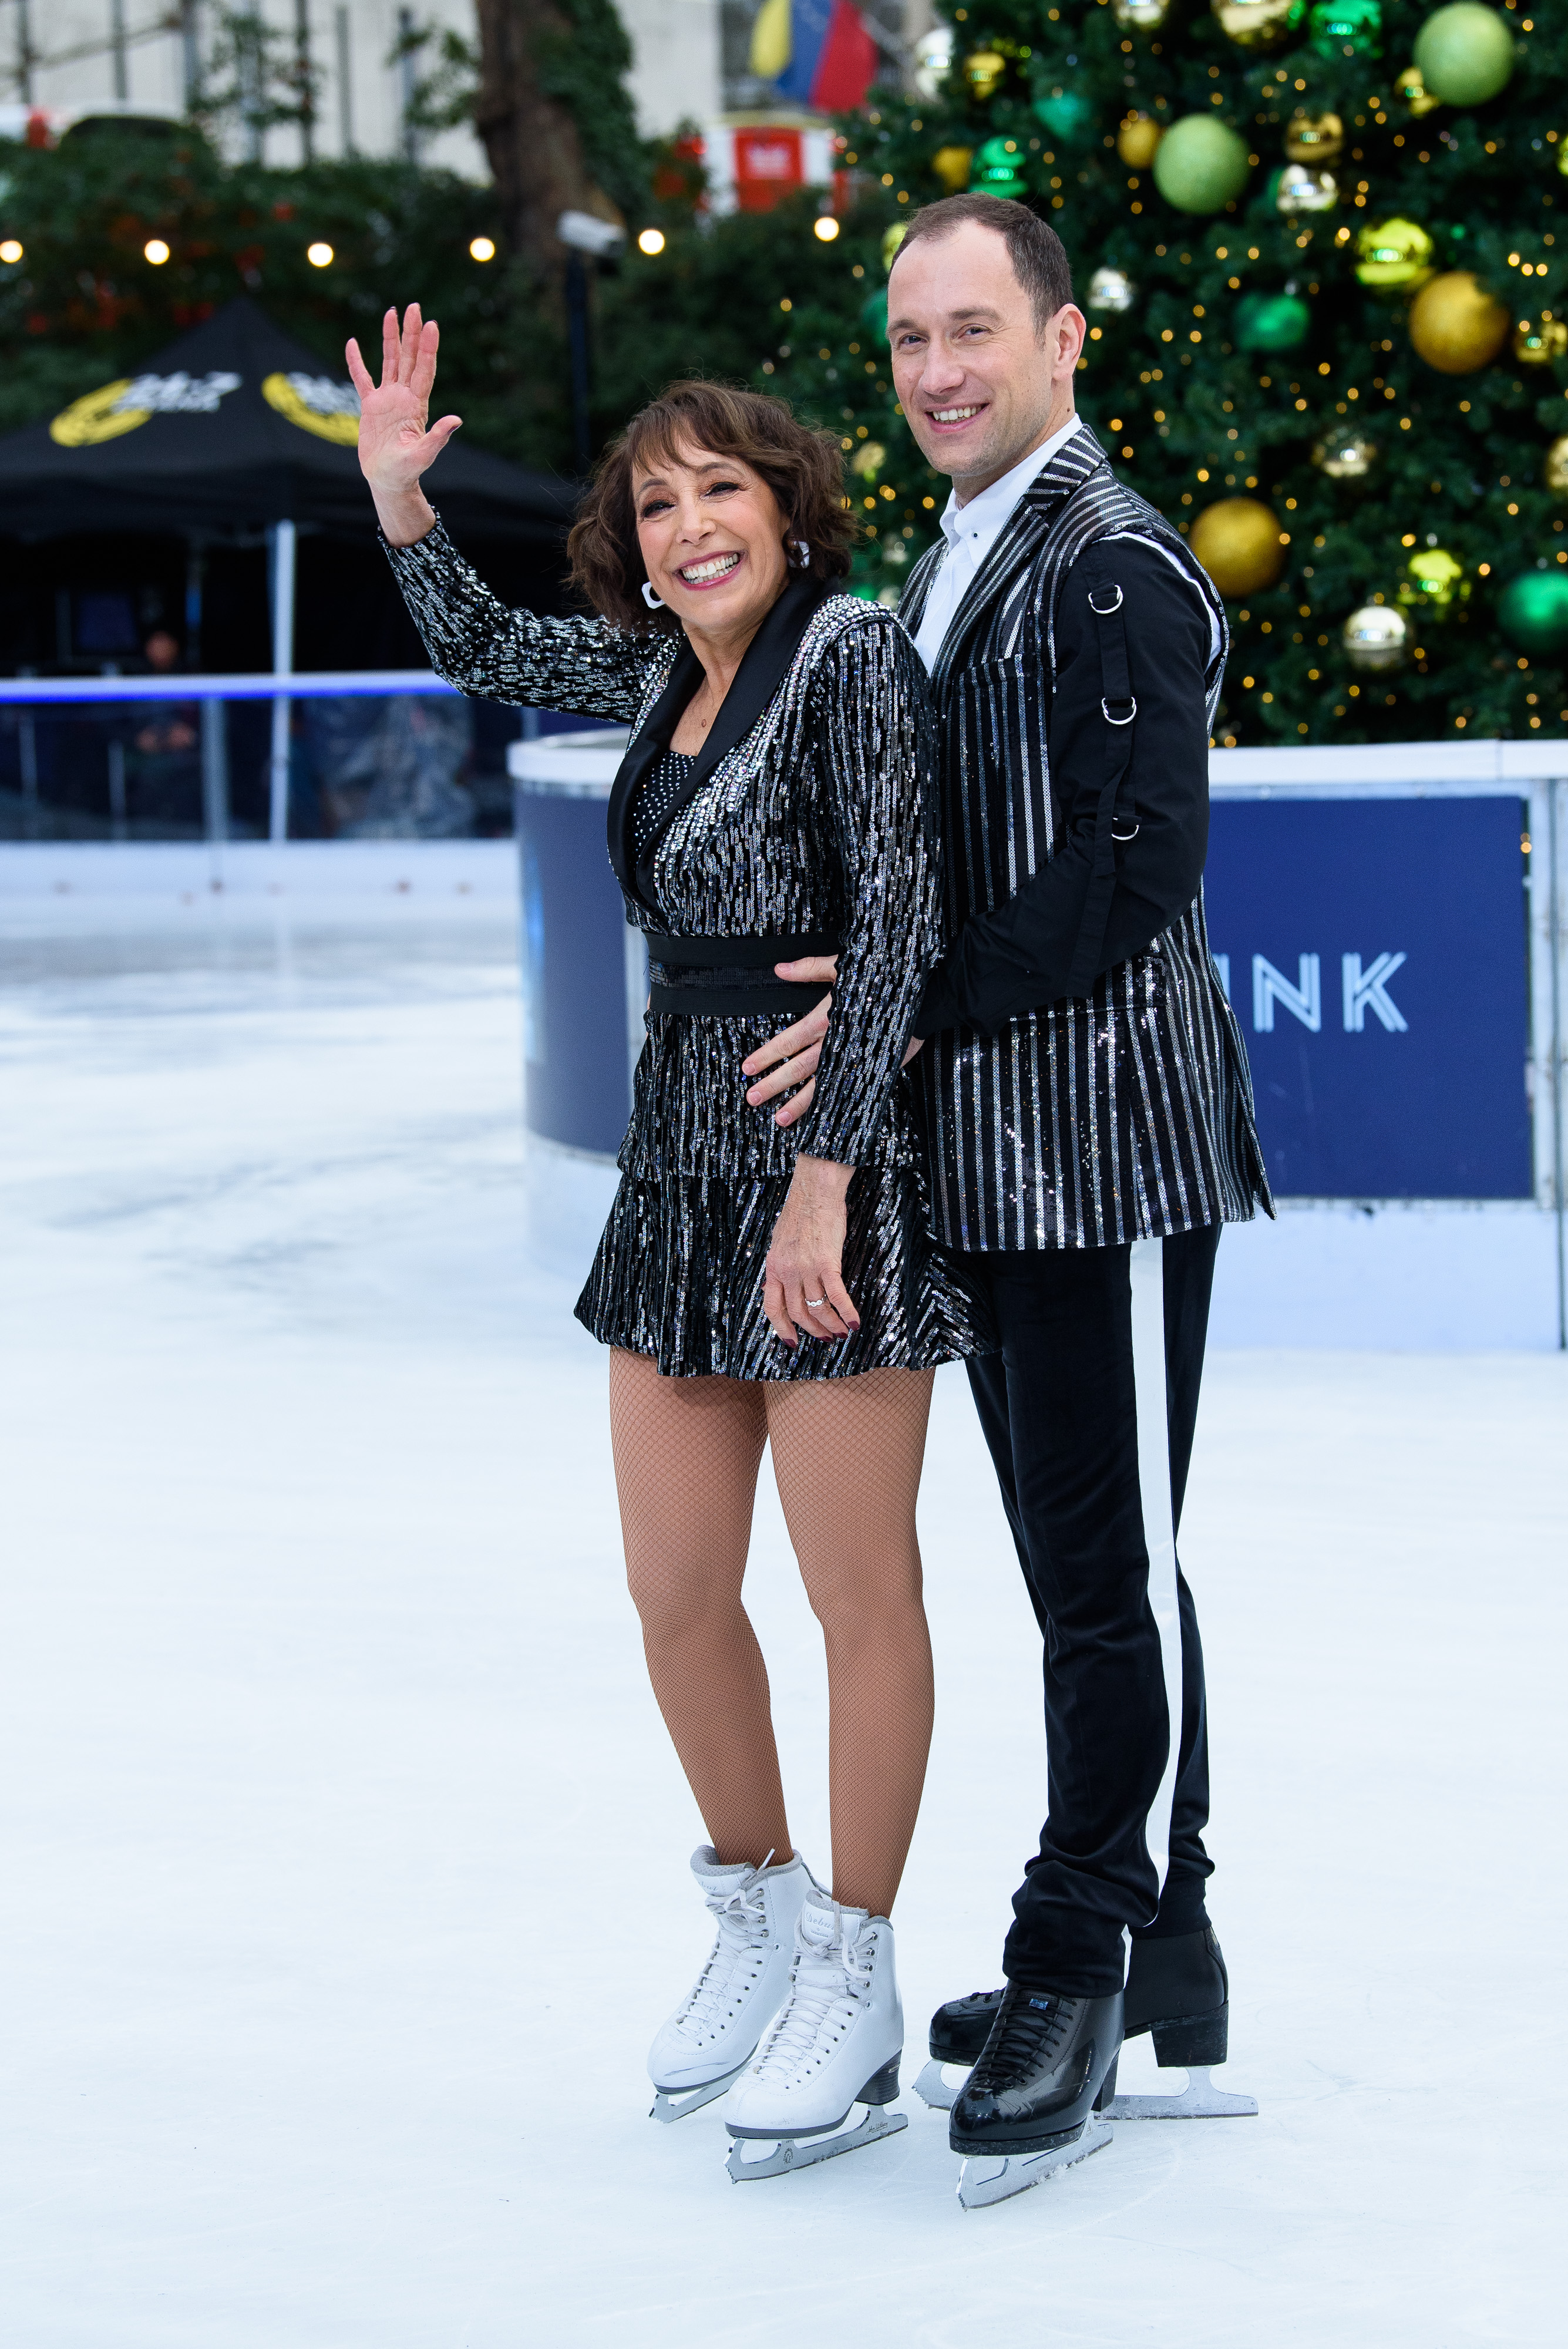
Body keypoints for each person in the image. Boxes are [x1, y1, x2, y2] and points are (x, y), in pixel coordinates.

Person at [348, 308, 991, 2180]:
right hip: (675, 1173)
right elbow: (480, 645)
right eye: (654, 504)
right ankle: (762, 1918)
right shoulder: (654, 677)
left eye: (721, 490)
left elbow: (898, 918)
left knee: (859, 1592)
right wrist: (400, 497)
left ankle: (858, 1969)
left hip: (825, 1173)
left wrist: (828, 1181)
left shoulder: (853, 657)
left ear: (791, 509)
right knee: (677, 1589)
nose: (687, 525)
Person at [739, 195, 1272, 2203]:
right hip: (998, 1154)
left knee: (1107, 1570)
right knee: (1091, 1564)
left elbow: (1136, 871)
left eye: (976, 330)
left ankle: (1078, 1949)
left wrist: (911, 1006)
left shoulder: (1112, 560)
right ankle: (1170, 1949)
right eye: (910, 339)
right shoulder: (962, 556)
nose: (939, 370)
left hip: (1108, 1148)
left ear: (1062, 341)